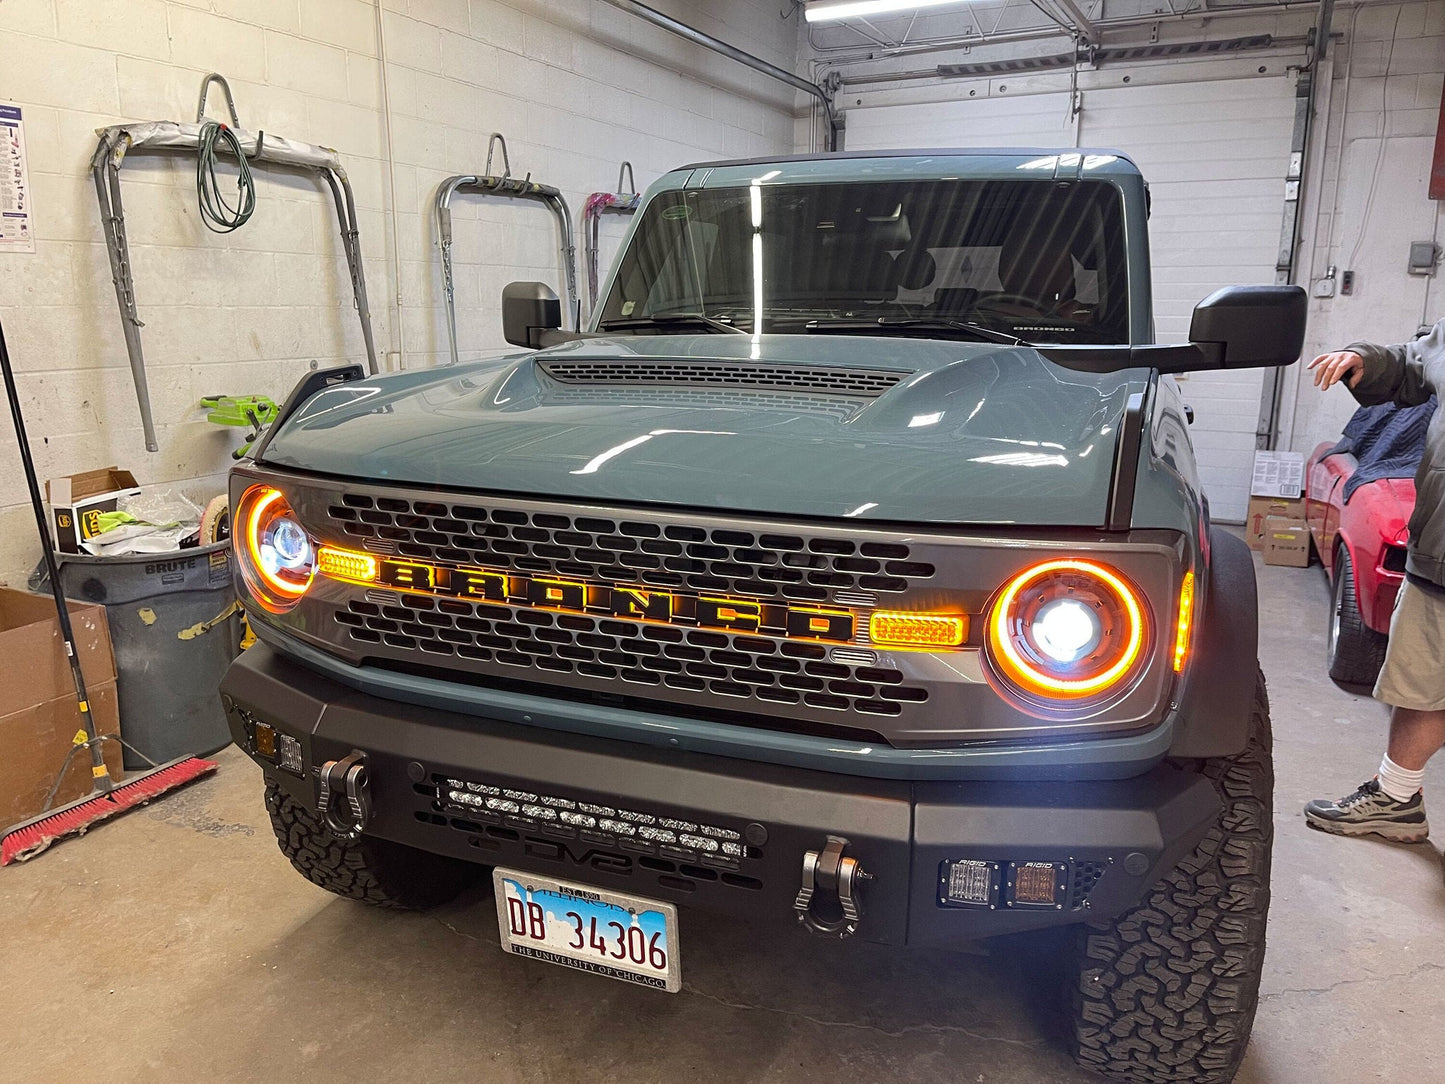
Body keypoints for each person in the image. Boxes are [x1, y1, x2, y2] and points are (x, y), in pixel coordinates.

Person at [1303, 324, 1445, 842]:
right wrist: (1366, 359)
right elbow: (1414, 360)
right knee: (1421, 682)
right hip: (1441, 551)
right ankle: (1397, 798)